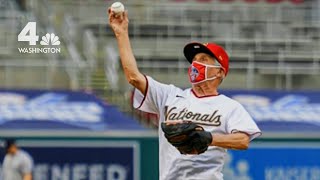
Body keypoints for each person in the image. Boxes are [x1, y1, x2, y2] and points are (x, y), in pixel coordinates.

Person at [108, 8, 261, 180]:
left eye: (203, 60)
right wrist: (121, 33)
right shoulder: (169, 95)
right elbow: (133, 77)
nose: (196, 64)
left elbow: (243, 140)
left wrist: (209, 138)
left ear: (219, 72)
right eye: (194, 61)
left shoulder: (228, 106)